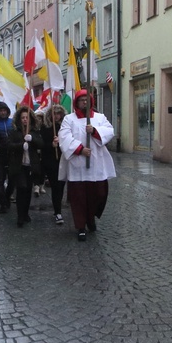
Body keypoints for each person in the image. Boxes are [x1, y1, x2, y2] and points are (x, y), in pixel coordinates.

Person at [58, 89, 116, 242]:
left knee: (99, 194)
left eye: (87, 100)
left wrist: (95, 131)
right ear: (76, 102)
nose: (84, 102)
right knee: (78, 198)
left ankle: (91, 218)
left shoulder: (99, 117)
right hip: (78, 165)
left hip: (96, 164)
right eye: (81, 100)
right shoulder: (69, 119)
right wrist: (80, 149)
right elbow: (64, 138)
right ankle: (80, 226)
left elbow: (109, 131)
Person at [8, 106, 43, 227]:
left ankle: (26, 212)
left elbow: (41, 144)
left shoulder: (34, 131)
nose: (24, 120)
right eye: (22, 117)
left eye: (26, 117)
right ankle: (20, 216)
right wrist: (20, 146)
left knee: (28, 190)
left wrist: (32, 139)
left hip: (31, 166)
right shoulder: (15, 131)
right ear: (19, 119)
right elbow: (9, 145)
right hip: (19, 166)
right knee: (21, 188)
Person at [40, 105, 67, 225]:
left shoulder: (65, 127)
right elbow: (41, 145)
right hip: (51, 162)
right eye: (54, 113)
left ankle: (58, 207)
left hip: (64, 160)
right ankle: (57, 211)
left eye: (58, 113)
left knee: (61, 186)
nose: (56, 116)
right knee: (56, 186)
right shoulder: (45, 128)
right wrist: (51, 145)